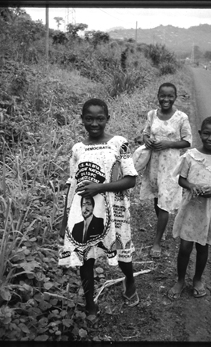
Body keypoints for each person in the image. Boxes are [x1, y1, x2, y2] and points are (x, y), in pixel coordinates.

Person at [59, 98, 139, 316]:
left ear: (107, 119)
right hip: (86, 209)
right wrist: (66, 219)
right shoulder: (77, 149)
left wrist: (100, 187)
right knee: (86, 257)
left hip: (116, 210)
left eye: (100, 119)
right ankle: (89, 303)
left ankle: (130, 281)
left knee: (122, 253)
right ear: (82, 119)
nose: (94, 123)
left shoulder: (119, 143)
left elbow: (131, 179)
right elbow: (73, 184)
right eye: (89, 119)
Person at [167, 116, 211, 299]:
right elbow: (181, 179)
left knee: (203, 247)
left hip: (210, 210)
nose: (210, 138)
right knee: (184, 247)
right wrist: (192, 187)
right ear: (200, 133)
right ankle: (180, 280)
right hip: (191, 208)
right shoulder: (191, 156)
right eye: (206, 133)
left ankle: (198, 279)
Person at [140, 82, 192, 258]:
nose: (166, 99)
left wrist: (169, 143)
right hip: (154, 163)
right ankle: (161, 228)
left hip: (170, 165)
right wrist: (147, 139)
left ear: (175, 97)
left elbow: (187, 141)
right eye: (163, 95)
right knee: (157, 196)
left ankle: (157, 242)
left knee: (165, 200)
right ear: (158, 95)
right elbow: (146, 132)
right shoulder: (152, 114)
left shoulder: (181, 118)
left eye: (170, 96)